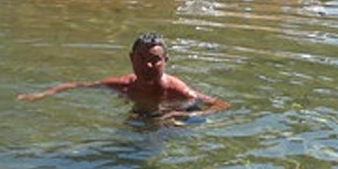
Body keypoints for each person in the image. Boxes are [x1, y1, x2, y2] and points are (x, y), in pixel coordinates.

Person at [18, 33, 229, 117]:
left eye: (155, 59)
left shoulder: (177, 90)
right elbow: (78, 85)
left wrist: (188, 115)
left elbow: (221, 105)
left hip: (174, 118)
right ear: (131, 59)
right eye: (141, 58)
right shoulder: (124, 85)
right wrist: (43, 94)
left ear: (166, 61)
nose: (148, 64)